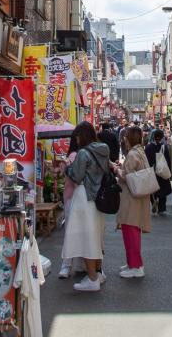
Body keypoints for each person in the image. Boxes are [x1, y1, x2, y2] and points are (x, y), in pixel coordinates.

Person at [64, 121, 111, 292]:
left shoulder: (83, 153)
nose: (75, 139)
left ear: (81, 135)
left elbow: (76, 176)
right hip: (99, 198)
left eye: (77, 136)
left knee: (85, 238)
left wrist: (67, 167)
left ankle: (92, 279)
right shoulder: (104, 149)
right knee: (96, 237)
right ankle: (98, 273)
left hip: (84, 196)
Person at [115, 124, 151, 278]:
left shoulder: (132, 154)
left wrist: (116, 169)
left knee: (131, 234)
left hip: (131, 199)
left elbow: (127, 175)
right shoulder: (140, 152)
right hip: (138, 197)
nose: (124, 140)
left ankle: (136, 266)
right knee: (132, 233)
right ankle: (133, 263)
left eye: (125, 137)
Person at [58, 128, 83, 279]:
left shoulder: (72, 155)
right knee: (82, 232)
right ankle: (75, 264)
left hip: (71, 197)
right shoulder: (76, 155)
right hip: (79, 197)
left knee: (71, 231)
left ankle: (67, 265)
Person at [144, 129, 171, 215]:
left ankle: (154, 202)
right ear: (162, 137)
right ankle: (162, 209)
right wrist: (169, 171)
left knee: (152, 189)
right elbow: (168, 160)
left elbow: (146, 160)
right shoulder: (164, 147)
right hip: (162, 171)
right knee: (163, 189)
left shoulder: (148, 147)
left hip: (152, 171)